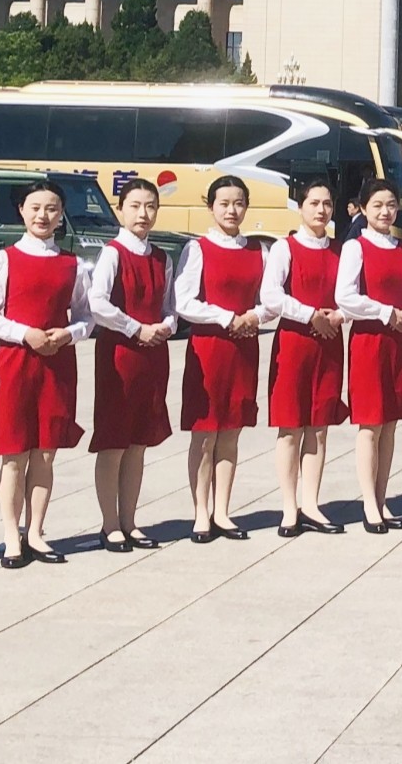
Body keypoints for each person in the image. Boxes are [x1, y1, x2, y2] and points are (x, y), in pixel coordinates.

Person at [0, 179, 93, 567]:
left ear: (61, 214)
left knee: (46, 452)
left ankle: (36, 532)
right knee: (14, 453)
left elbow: (86, 315)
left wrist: (69, 333)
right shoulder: (5, 260)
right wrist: (24, 333)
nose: (43, 215)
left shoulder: (73, 264)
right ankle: (11, 535)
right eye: (35, 208)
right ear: (22, 211)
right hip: (15, 361)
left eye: (51, 208)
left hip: (57, 363)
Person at [175, 175, 267, 543]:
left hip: (244, 348)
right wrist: (227, 317)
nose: (232, 210)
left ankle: (223, 511)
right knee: (205, 433)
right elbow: (184, 301)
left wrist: (254, 316)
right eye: (224, 203)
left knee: (231, 431)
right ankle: (201, 511)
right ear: (211, 206)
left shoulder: (258, 250)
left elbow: (269, 298)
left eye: (238, 203)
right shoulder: (198, 249)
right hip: (209, 348)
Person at [86, 178, 175, 553]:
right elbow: (97, 303)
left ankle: (130, 520)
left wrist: (166, 326)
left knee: (139, 442)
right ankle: (110, 524)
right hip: (120, 353)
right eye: (135, 206)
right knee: (114, 442)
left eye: (150, 206)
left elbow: (169, 305)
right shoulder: (113, 253)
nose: (143, 213)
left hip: (153, 355)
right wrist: (136, 327)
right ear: (121, 209)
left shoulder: (162, 257)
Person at [259, 176, 350, 538]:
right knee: (290, 427)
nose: (321, 210)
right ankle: (288, 507)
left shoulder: (341, 250)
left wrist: (338, 316)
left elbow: (352, 294)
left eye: (327, 204)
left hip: (329, 344)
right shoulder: (285, 248)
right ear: (300, 207)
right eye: (314, 203)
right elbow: (270, 294)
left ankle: (311, 503)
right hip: (295, 343)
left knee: (319, 426)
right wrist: (310, 314)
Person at [336, 179, 402, 532]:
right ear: (363, 208)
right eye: (377, 205)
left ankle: (382, 497)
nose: (385, 212)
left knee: (390, 422)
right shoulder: (355, 247)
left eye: (390, 205)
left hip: (401, 340)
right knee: (370, 423)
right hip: (370, 340)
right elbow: (346, 296)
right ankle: (368, 504)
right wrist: (386, 311)